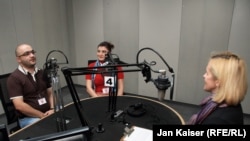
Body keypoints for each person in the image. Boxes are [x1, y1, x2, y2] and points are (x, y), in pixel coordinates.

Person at [188, 51, 248, 125]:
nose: (204, 76)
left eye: (207, 73)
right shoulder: (226, 106)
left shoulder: (217, 120)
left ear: (218, 82)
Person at [7, 44, 54, 128]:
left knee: (68, 120)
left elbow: (50, 93)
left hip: (49, 112)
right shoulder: (14, 78)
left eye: (32, 52)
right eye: (27, 54)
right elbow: (19, 105)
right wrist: (42, 116)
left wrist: (52, 109)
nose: (32, 55)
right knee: (48, 128)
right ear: (19, 59)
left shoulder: (42, 72)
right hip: (29, 118)